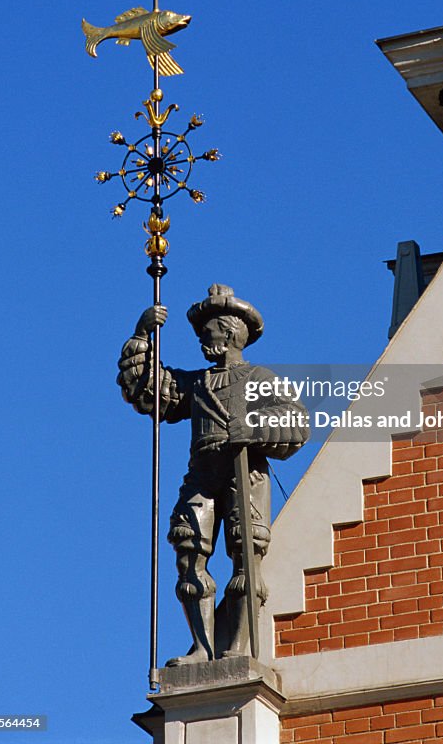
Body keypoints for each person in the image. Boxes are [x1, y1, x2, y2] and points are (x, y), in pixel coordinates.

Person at [117, 283, 309, 662]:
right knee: (188, 552)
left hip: (245, 473)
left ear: (231, 332)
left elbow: (297, 423)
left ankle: (237, 648)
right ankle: (201, 648)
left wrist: (253, 429)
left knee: (246, 558)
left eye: (210, 331)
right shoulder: (198, 382)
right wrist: (142, 336)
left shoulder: (260, 378)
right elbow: (151, 390)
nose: (203, 338)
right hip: (204, 472)